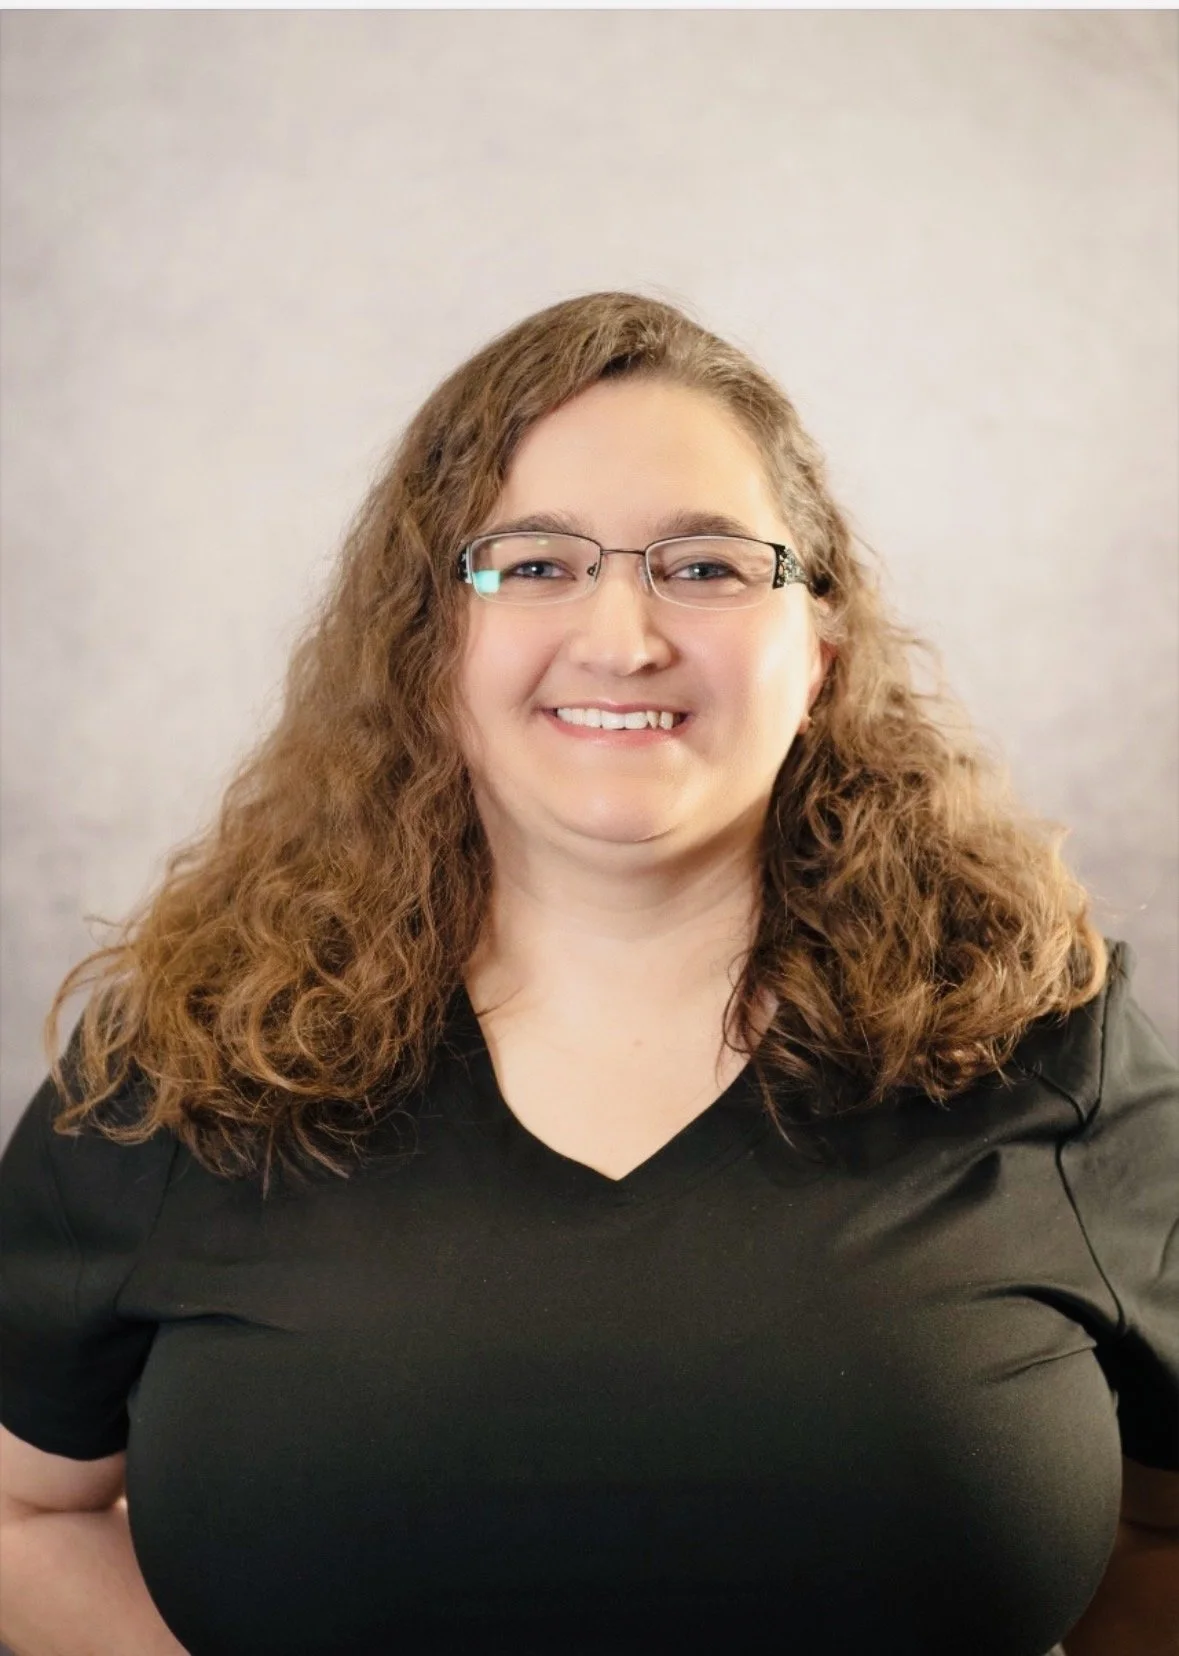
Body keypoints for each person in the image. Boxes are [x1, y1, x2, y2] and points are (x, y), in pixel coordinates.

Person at [0, 291, 1176, 1656]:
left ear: (818, 652)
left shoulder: (1050, 1044)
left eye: (707, 565)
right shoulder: (191, 1060)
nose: (624, 638)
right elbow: (24, 1512)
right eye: (537, 564)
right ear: (428, 642)